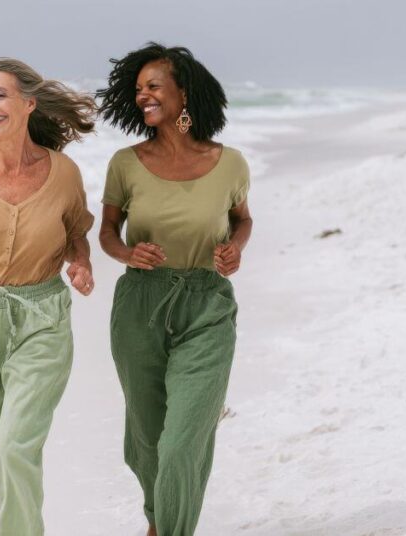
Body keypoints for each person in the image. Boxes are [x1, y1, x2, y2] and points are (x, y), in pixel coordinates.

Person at [97, 43, 254, 536]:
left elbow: (242, 220)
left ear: (184, 93)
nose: (143, 95)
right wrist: (127, 254)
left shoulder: (229, 163)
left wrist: (236, 248)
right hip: (140, 304)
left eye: (154, 86)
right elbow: (106, 232)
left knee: (182, 440)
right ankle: (158, 518)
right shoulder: (126, 162)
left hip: (207, 304)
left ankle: (170, 529)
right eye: (138, 88)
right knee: (145, 437)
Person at [0, 57, 95, 536]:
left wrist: (81, 260)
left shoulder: (64, 173)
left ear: (28, 104)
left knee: (15, 448)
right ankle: (13, 506)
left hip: (43, 317)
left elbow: (76, 232)